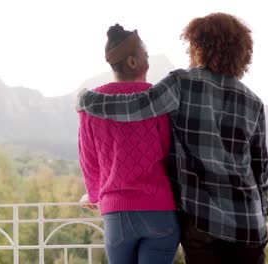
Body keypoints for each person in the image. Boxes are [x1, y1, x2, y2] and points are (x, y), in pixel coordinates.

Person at [77, 13, 268, 264]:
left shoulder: (182, 83)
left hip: (203, 221)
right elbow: (260, 170)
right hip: (249, 225)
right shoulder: (254, 101)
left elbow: (135, 107)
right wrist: (260, 217)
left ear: (198, 45)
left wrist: (86, 99)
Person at [78, 24, 180, 264]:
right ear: (133, 62)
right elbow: (169, 152)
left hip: (117, 216)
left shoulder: (91, 105)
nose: (149, 61)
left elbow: (89, 161)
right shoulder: (156, 99)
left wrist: (93, 196)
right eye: (145, 56)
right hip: (160, 211)